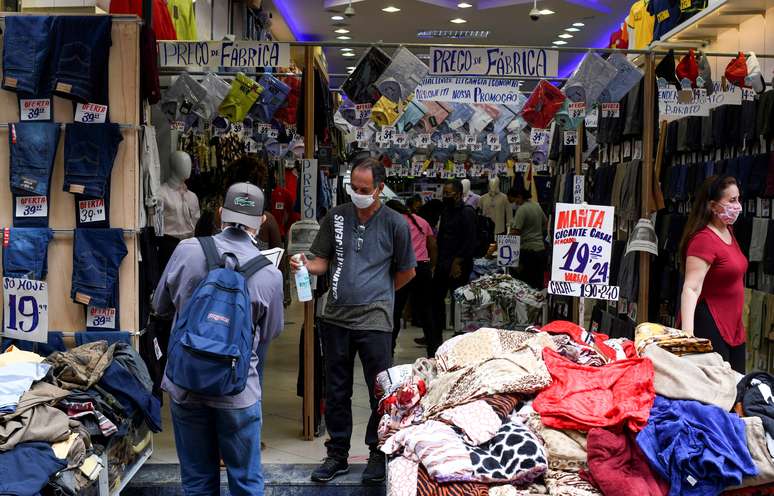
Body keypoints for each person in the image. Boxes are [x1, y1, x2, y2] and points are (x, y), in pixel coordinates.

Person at [152, 182, 284, 495]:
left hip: (186, 385)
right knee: (246, 482)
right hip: (238, 392)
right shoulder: (269, 274)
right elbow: (270, 333)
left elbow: (159, 305)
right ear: (261, 221)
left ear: (220, 212)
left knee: (197, 482)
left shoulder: (186, 250)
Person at [291, 158, 416, 484]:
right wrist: (304, 264)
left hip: (375, 321)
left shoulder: (395, 224)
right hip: (335, 318)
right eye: (354, 188)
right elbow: (321, 262)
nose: (358, 194)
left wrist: (380, 295)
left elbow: (407, 272)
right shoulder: (335, 217)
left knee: (381, 392)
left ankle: (378, 452)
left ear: (379, 189)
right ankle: (337, 454)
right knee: (336, 390)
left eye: (364, 190)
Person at [679, 175, 747, 373]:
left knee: (736, 389)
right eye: (732, 200)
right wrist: (688, 336)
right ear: (713, 206)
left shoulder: (728, 231)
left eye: (738, 199)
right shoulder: (704, 240)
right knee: (717, 391)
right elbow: (691, 288)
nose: (738, 206)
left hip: (733, 325)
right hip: (711, 324)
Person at [429, 180, 478, 356]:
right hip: (443, 262)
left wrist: (457, 262)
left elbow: (470, 240)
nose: (445, 196)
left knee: (459, 305)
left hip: (459, 264)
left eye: (448, 193)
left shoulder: (467, 213)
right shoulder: (446, 211)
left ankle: (459, 343)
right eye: (444, 193)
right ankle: (435, 345)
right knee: (435, 303)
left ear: (458, 194)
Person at [386, 199, 437, 356]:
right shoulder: (422, 221)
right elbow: (433, 246)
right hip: (422, 268)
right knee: (427, 311)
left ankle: (389, 351)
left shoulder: (394, 222)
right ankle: (433, 352)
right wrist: (431, 266)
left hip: (403, 268)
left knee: (395, 311)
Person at [508, 186, 548, 289]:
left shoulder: (522, 209)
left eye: (515, 201)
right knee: (537, 283)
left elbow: (515, 233)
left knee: (525, 285)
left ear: (519, 196)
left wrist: (504, 243)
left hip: (527, 252)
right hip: (540, 250)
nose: (515, 204)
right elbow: (545, 222)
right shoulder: (536, 205)